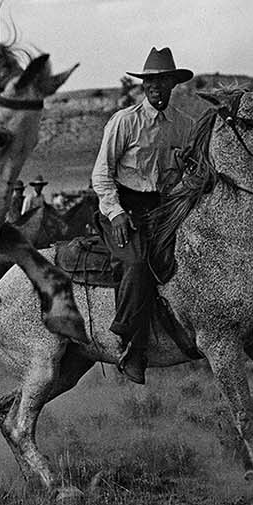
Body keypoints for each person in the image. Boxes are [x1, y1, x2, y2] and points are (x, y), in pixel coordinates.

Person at [91, 46, 207, 379]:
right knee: (138, 264)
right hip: (124, 209)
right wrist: (115, 214)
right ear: (143, 86)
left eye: (163, 81)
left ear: (173, 84)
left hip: (164, 210)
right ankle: (129, 344)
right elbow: (102, 173)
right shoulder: (125, 122)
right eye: (150, 81)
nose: (156, 86)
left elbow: (194, 170)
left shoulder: (184, 126)